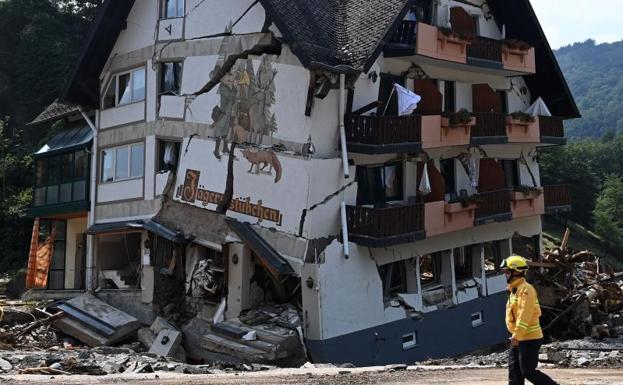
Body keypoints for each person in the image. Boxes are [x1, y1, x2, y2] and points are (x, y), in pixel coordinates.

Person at [501, 255, 560, 385]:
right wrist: (516, 336)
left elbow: (524, 314)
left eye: (507, 271)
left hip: (529, 338)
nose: (505, 274)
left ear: (516, 272)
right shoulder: (514, 290)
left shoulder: (526, 290)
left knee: (528, 371)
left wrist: (517, 335)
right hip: (519, 337)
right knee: (514, 372)